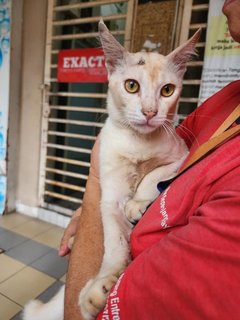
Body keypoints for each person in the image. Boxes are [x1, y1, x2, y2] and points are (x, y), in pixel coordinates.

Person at [60, 1, 240, 319]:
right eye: (133, 86)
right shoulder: (227, 101)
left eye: (166, 90)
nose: (149, 109)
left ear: (179, 77)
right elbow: (111, 204)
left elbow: (178, 164)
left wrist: (129, 191)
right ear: (113, 71)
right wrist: (93, 213)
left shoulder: (171, 140)